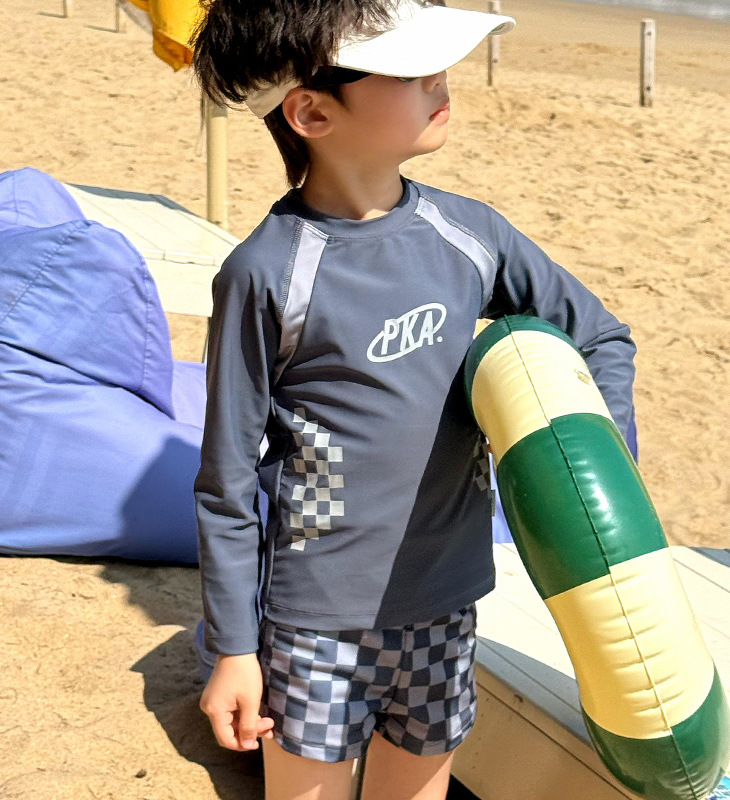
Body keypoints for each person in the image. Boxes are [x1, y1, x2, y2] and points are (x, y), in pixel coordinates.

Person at [190, 2, 637, 798]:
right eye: (408, 70)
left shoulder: (470, 235)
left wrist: (601, 478)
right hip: (316, 622)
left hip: (446, 608)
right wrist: (233, 649)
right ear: (312, 113)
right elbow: (225, 482)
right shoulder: (266, 273)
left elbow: (599, 337)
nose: (439, 77)